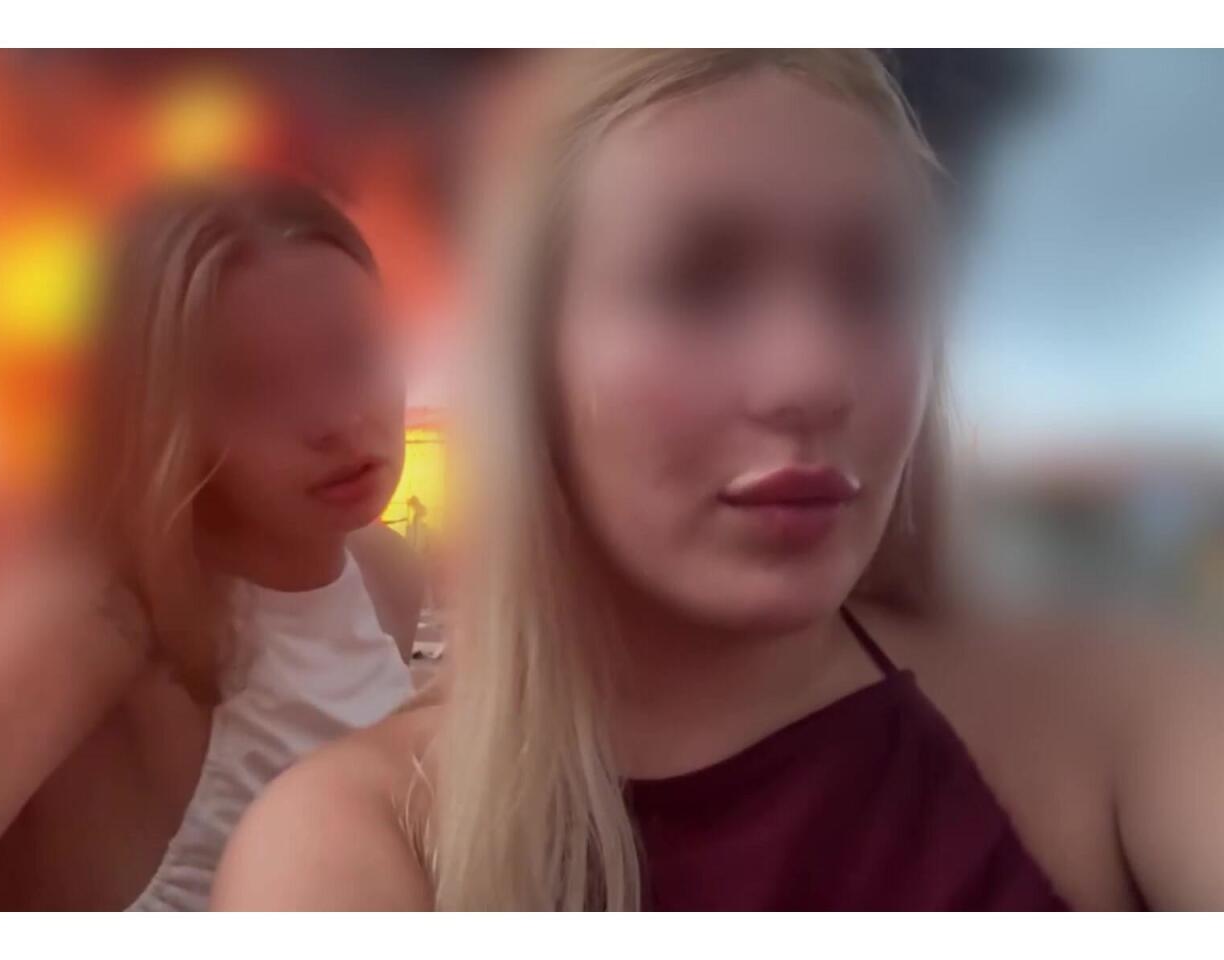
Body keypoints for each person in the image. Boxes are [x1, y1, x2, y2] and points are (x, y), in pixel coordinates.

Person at [212, 50, 1224, 911]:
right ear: (532, 365)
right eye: (699, 279)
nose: (812, 375)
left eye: (873, 281)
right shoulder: (352, 846)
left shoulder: (1121, 718)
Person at [0, 175, 419, 910]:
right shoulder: (103, 615)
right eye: (254, 385)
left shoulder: (387, 574)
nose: (335, 420)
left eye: (352, 355)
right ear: (166, 417)